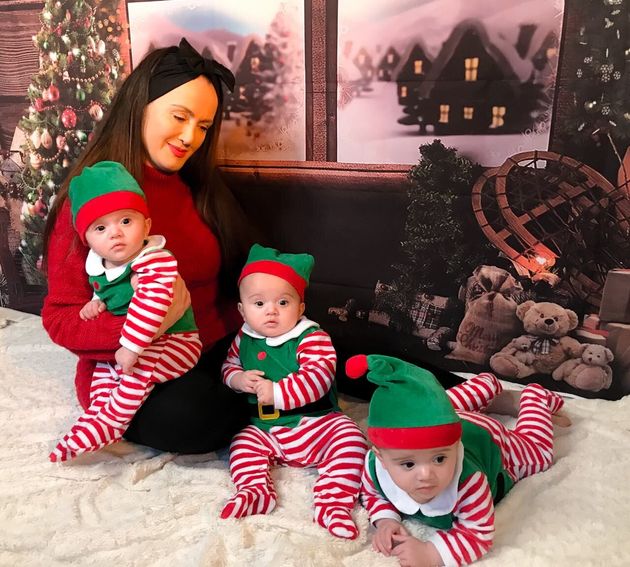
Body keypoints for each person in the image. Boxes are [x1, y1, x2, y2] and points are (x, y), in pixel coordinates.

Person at [42, 38, 252, 454]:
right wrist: (145, 327)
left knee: (303, 344)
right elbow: (61, 318)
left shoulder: (199, 189)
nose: (191, 136)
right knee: (189, 421)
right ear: (140, 106)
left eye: (204, 126)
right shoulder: (93, 203)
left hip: (208, 348)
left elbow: (227, 290)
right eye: (180, 116)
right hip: (138, 367)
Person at [345, 354, 569, 567]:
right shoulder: (375, 465)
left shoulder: (469, 481)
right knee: (435, 403)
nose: (426, 475)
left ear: (455, 446)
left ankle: (534, 398)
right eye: (409, 464)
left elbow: (478, 533)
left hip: (491, 441)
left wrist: (431, 553)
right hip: (446, 416)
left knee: (541, 455)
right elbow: (373, 493)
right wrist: (385, 520)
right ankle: (486, 383)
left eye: (440, 459)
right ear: (381, 457)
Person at [49, 161, 202, 462]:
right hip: (137, 345)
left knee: (137, 369)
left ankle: (112, 421)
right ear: (87, 239)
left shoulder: (154, 260)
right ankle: (97, 414)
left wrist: (131, 346)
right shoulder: (99, 267)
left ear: (146, 225)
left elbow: (154, 303)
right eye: (101, 228)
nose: (115, 234)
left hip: (178, 342)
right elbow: (107, 293)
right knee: (105, 372)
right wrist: (96, 304)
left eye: (126, 222)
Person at [220, 244, 368, 539]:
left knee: (351, 439)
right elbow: (228, 365)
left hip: (317, 424)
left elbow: (318, 377)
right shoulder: (244, 337)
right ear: (242, 309)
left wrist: (276, 391)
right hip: (267, 429)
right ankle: (255, 490)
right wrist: (237, 379)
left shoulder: (311, 337)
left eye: (283, 303)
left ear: (300, 307)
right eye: (258, 304)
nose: (271, 311)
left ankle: (333, 503)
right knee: (242, 443)